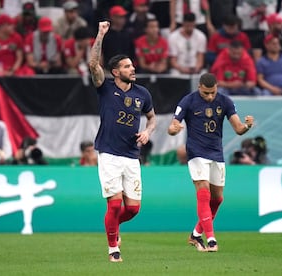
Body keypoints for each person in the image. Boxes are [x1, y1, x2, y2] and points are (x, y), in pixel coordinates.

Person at [88, 21, 156, 262]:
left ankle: (113, 228)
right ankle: (113, 248)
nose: (132, 68)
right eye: (127, 66)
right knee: (115, 206)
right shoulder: (104, 88)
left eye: (132, 65)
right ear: (116, 72)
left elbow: (151, 118)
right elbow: (93, 64)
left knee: (133, 209)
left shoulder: (142, 94)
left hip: (131, 155)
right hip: (109, 153)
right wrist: (100, 34)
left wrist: (148, 131)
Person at [167, 73, 254, 252]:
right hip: (196, 152)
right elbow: (173, 126)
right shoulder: (188, 101)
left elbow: (238, 129)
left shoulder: (226, 101)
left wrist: (247, 126)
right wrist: (174, 129)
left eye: (212, 92)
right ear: (199, 87)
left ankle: (196, 234)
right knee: (203, 192)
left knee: (217, 198)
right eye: (206, 93)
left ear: (217, 87)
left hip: (216, 152)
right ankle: (211, 239)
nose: (209, 96)